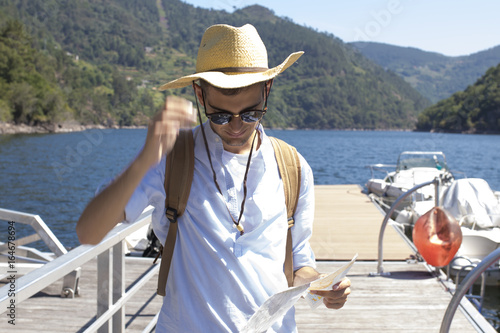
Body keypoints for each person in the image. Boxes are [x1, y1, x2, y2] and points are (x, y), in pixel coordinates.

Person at [76, 23, 351, 332]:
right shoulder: (172, 158)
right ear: (199, 94)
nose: (235, 127)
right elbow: (88, 232)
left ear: (268, 90)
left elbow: (301, 262)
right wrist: (143, 159)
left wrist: (321, 292)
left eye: (250, 114)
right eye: (219, 115)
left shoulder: (293, 166)